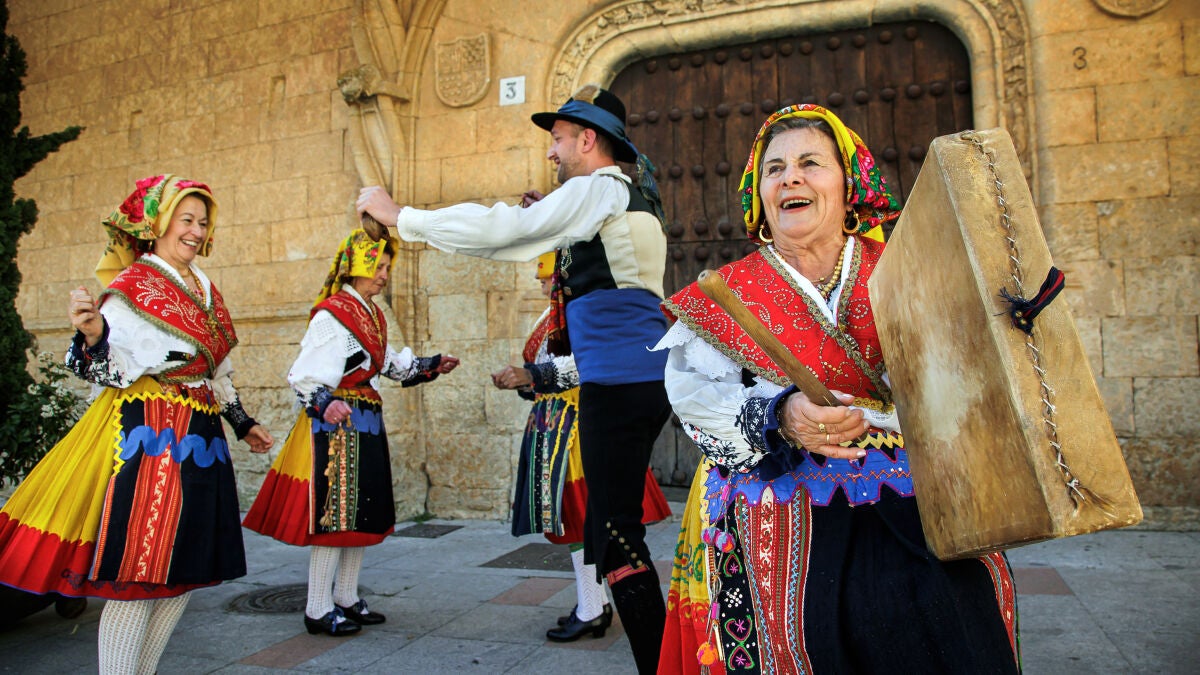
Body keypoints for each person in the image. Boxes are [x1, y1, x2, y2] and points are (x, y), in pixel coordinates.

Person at [654, 105, 1020, 673]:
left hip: (922, 508)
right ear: (760, 195)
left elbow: (970, 379)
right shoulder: (727, 293)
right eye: (774, 169)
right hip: (781, 518)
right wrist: (781, 416)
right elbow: (693, 398)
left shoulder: (909, 270)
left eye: (810, 163)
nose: (790, 178)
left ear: (849, 186)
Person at [357, 84, 672, 672]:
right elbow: (573, 248)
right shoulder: (624, 195)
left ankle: (659, 664)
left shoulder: (599, 188)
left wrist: (402, 217)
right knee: (609, 530)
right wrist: (548, 216)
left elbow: (505, 231)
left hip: (619, 381)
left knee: (614, 535)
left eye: (558, 140)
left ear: (588, 139)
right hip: (632, 379)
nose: (551, 152)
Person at [0, 175, 274, 674]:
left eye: (203, 222)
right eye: (186, 220)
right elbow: (102, 367)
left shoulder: (203, 289)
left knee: (181, 576)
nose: (196, 231)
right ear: (158, 224)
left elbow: (216, 370)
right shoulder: (132, 288)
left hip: (201, 439)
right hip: (151, 439)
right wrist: (93, 335)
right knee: (138, 579)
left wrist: (241, 422)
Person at [243, 228, 459, 636]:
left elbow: (388, 364)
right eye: (379, 267)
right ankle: (317, 607)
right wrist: (326, 403)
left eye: (387, 267)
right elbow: (304, 375)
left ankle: (345, 596)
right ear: (356, 266)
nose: (384, 275)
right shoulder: (332, 315)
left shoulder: (371, 314)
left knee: (361, 513)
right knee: (336, 516)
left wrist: (430, 364)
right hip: (337, 426)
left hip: (365, 422)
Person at [492, 252, 671, 642]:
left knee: (582, 518)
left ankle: (593, 608)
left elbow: (581, 362)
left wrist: (533, 374)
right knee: (577, 520)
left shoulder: (583, 310)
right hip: (555, 425)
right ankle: (593, 602)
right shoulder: (553, 315)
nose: (542, 283)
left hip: (575, 429)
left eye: (549, 277)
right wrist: (526, 382)